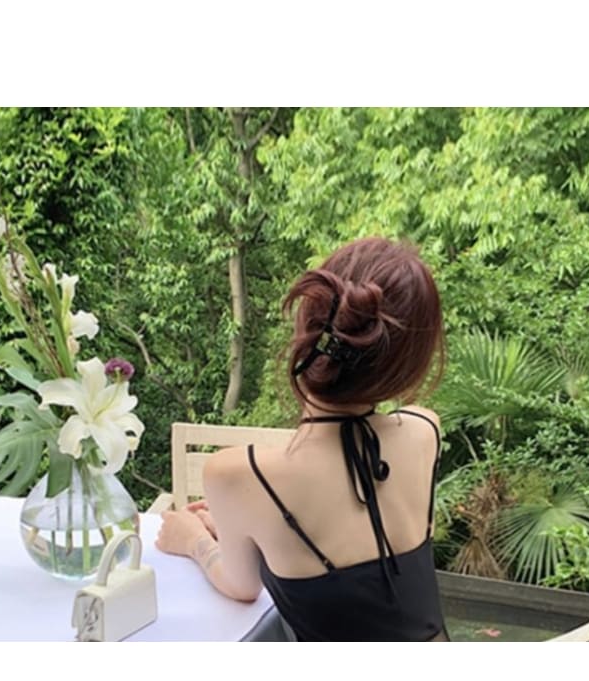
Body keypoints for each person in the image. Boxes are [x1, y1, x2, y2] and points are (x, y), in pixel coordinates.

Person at [156, 236, 448, 641]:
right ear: (411, 362)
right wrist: (238, 527)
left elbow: (242, 587)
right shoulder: (424, 429)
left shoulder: (241, 474)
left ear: (309, 322)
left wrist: (193, 540)